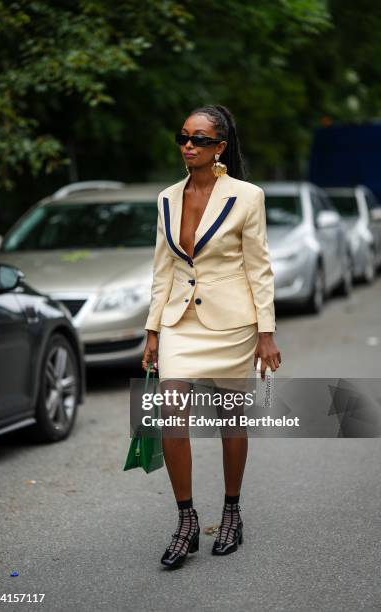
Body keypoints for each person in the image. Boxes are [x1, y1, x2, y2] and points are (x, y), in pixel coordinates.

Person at [141, 104, 281, 568]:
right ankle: (186, 520)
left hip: (233, 323)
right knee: (171, 411)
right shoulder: (165, 198)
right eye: (183, 137)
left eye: (199, 139)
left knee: (229, 418)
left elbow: (259, 267)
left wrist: (266, 332)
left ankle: (232, 510)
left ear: (219, 147)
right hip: (181, 320)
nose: (188, 146)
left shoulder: (246, 196)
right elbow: (163, 271)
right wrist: (152, 331)